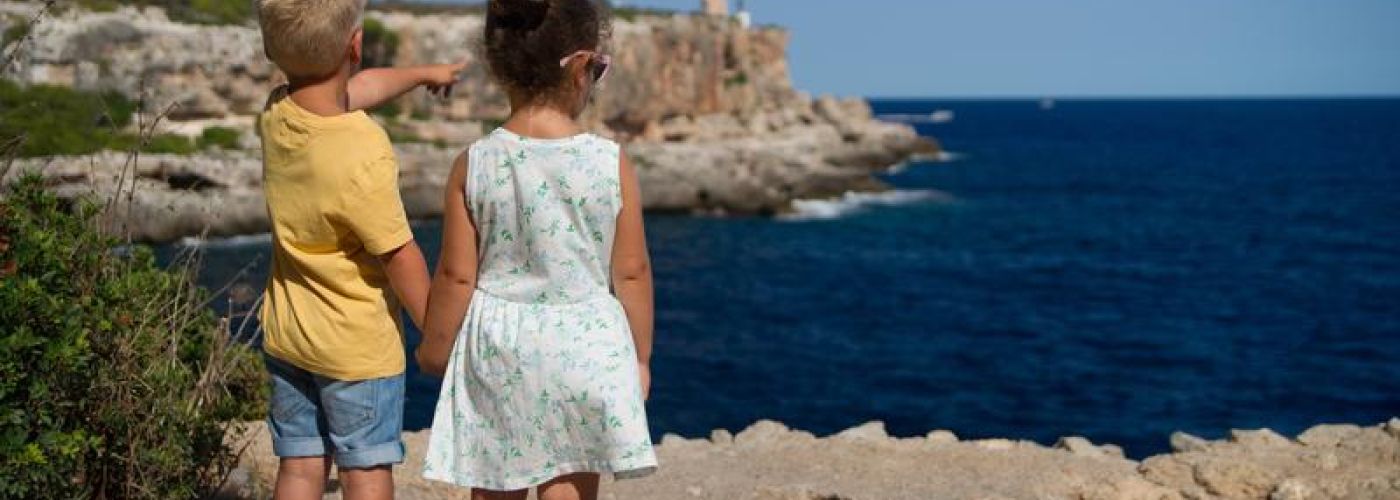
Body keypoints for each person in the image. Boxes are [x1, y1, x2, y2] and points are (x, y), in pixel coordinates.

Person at [415, 0, 658, 498]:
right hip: (586, 345)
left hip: (500, 347)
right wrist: (640, 360)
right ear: (581, 67)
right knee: (569, 480)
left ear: (498, 65)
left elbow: (456, 276)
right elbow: (631, 272)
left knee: (495, 485)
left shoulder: (475, 164)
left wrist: (435, 347)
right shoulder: (611, 163)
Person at [253, 0, 464, 497]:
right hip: (356, 351)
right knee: (364, 470)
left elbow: (355, 90)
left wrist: (420, 74)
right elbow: (400, 255)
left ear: (270, 49)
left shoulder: (277, 113)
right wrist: (438, 337)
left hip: (289, 337)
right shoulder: (362, 149)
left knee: (300, 468)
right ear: (357, 45)